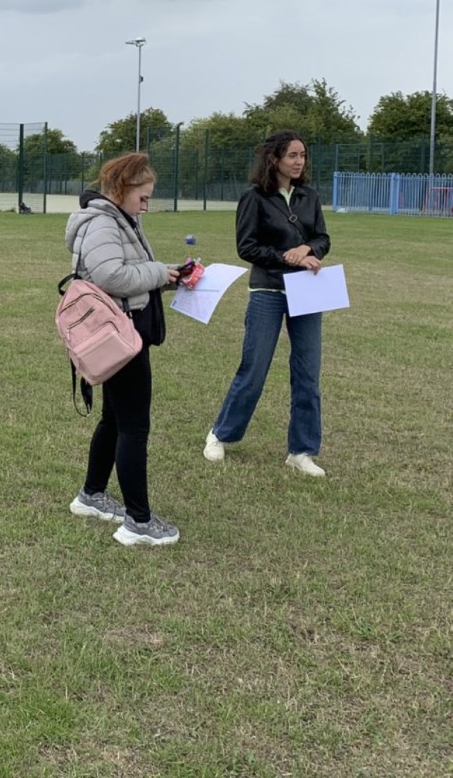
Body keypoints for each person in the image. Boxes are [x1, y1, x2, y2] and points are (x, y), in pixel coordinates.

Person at [64, 152, 182, 547]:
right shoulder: (103, 222)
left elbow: (125, 271)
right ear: (120, 189)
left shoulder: (119, 219)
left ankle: (92, 495)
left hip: (122, 329)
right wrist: (157, 271)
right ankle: (139, 522)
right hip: (120, 334)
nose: (147, 205)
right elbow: (109, 274)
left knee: (115, 420)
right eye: (143, 197)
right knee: (134, 426)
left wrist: (166, 278)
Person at [205, 131, 331, 476]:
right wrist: (287, 258)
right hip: (268, 292)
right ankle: (220, 434)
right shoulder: (254, 198)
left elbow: (323, 238)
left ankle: (302, 451)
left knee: (308, 373)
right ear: (274, 158)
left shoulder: (309, 196)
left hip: (307, 291)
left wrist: (309, 250)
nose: (299, 161)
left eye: (303, 155)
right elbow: (246, 247)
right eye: (292, 155)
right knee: (254, 369)